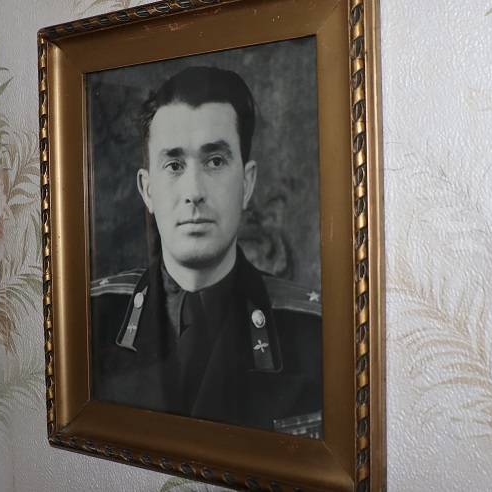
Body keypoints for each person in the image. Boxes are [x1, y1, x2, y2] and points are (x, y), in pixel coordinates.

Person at [90, 66, 323, 437]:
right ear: (147, 190)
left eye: (215, 161)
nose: (194, 192)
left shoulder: (316, 334)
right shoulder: (93, 318)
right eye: (174, 165)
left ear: (247, 183)